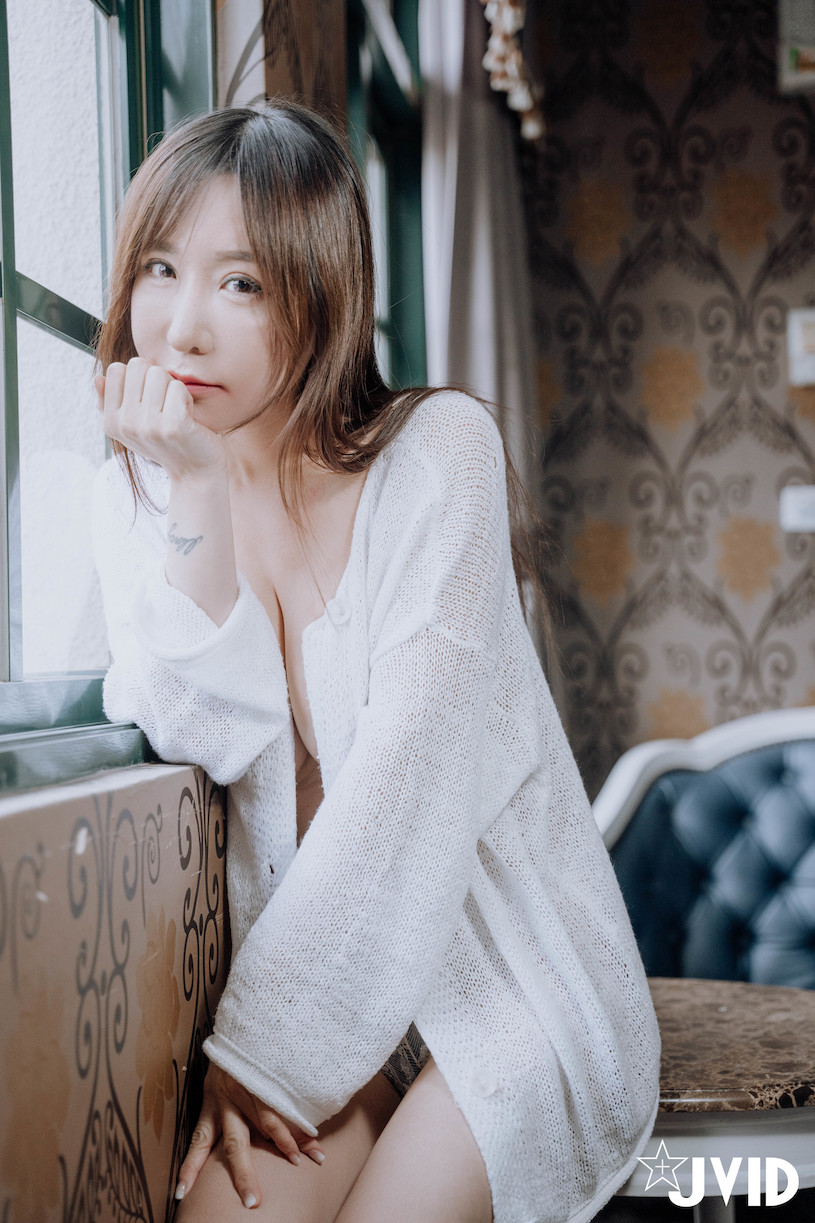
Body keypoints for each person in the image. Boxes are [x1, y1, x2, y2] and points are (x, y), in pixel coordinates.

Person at [92, 100, 661, 1223]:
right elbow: (200, 729)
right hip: (327, 1006)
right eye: (159, 268)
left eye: (241, 282)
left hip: (503, 980)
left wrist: (260, 1052)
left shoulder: (436, 453)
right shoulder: (143, 489)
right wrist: (195, 489)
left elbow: (414, 776)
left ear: (319, 293)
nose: (182, 328)